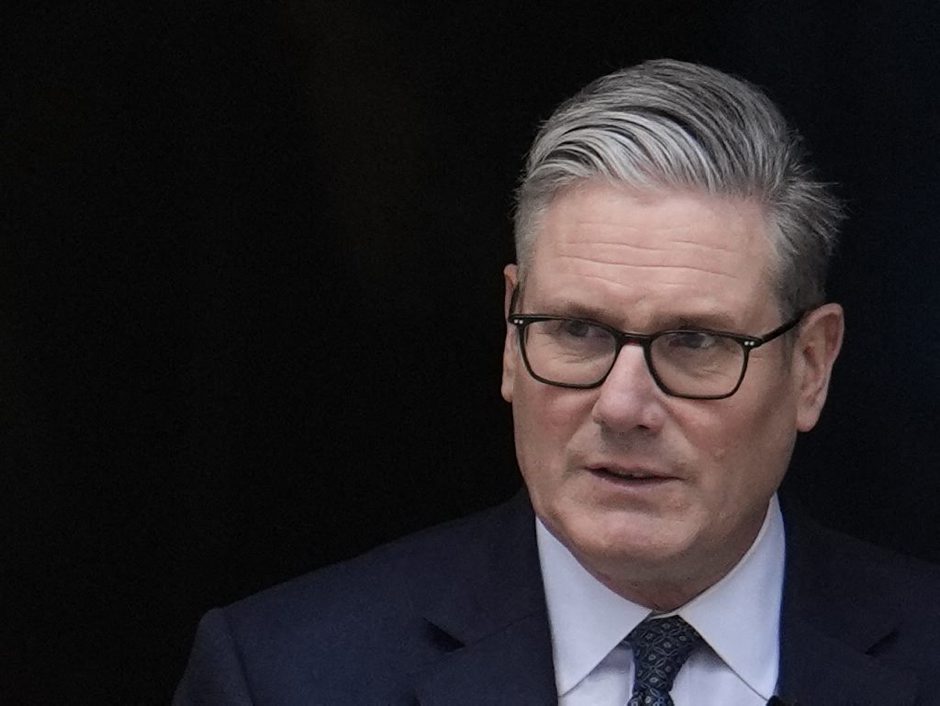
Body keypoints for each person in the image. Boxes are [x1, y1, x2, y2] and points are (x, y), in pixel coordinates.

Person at [174, 59, 940, 705]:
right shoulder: (284, 676)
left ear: (811, 366)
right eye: (577, 331)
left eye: (694, 342)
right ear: (512, 335)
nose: (623, 405)